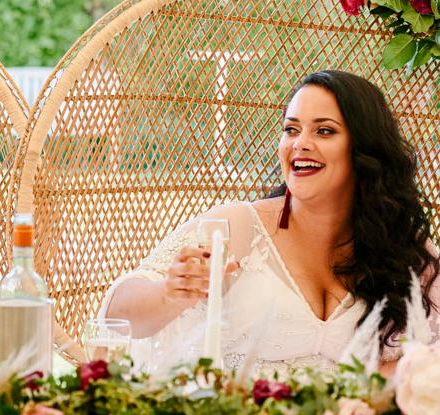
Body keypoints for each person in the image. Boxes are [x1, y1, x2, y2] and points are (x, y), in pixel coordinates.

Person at [102, 70, 440, 376]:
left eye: (324, 131)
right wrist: (170, 293)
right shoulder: (235, 226)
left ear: (363, 149)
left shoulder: (405, 248)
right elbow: (117, 317)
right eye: (291, 129)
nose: (300, 143)